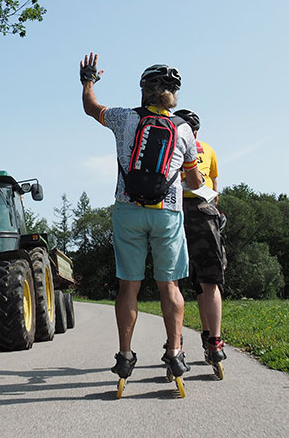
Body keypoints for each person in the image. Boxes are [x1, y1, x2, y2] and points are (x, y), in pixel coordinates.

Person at [79, 52, 204, 381]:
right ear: (174, 96)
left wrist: (88, 80)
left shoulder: (124, 118)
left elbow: (91, 107)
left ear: (143, 91)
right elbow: (193, 181)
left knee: (128, 288)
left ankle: (124, 356)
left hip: (128, 210)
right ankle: (175, 354)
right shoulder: (184, 130)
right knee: (170, 287)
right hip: (167, 214)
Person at [174, 109, 228, 364]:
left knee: (173, 281)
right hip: (205, 211)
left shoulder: (169, 144)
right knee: (210, 280)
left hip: (174, 212)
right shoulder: (208, 149)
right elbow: (215, 188)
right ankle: (213, 341)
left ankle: (175, 344)